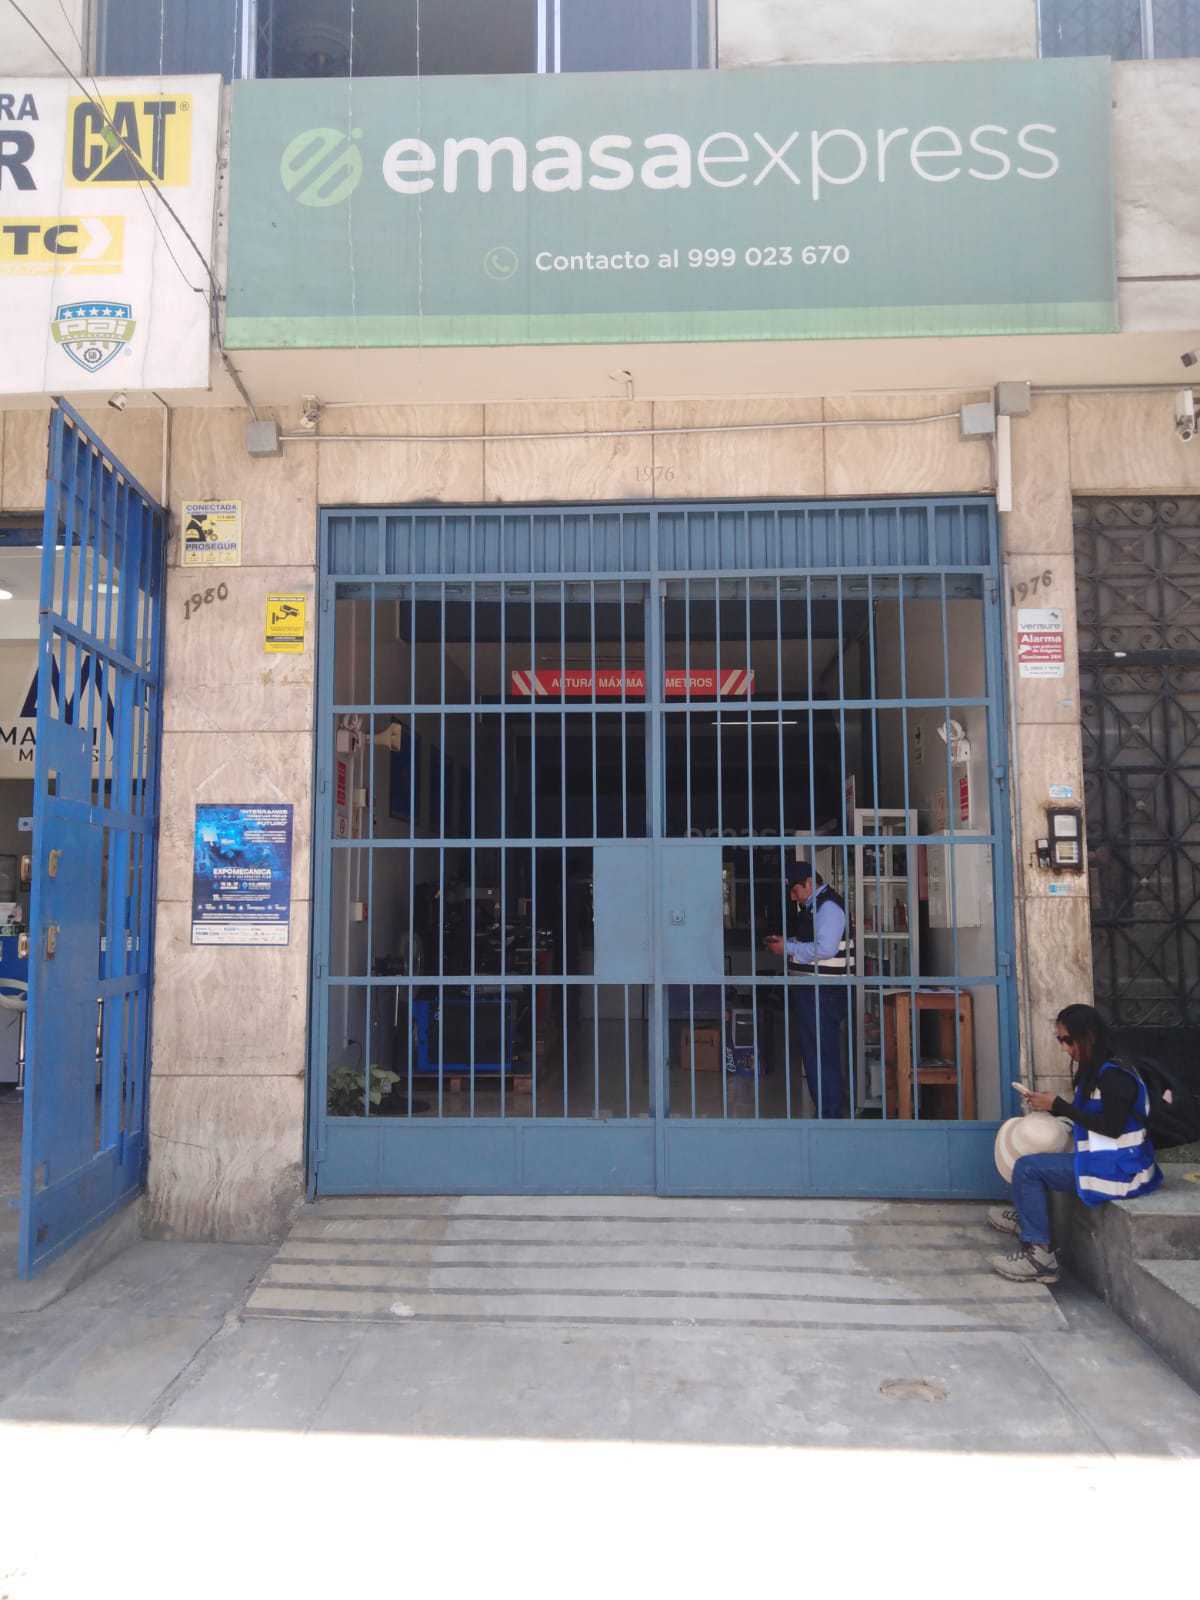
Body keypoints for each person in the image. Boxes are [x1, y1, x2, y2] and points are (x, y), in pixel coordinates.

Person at [989, 1002, 1163, 1284]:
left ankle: (1040, 1257)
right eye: (1059, 1040)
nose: (1064, 1047)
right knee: (1040, 1153)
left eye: (1068, 1040)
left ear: (1089, 1035)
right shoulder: (1096, 1070)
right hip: (1108, 1160)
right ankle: (1029, 1218)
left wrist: (1059, 1105)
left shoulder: (1114, 1075)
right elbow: (1088, 1117)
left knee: (1028, 1168)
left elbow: (1112, 1128)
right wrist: (1052, 1108)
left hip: (1120, 1170)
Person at [764, 861, 851, 1118]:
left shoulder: (828, 907)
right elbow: (814, 942)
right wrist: (788, 943)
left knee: (821, 1053)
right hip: (815, 991)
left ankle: (830, 1114)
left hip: (822, 992)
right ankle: (827, 1109)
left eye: (795, 890)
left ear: (810, 883)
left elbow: (826, 949)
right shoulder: (815, 907)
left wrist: (788, 948)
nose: (793, 897)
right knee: (817, 1052)